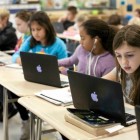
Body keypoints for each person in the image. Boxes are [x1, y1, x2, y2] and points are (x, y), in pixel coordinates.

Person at [103, 24, 140, 106]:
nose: (123, 62)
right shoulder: (121, 69)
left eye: (130, 55)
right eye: (119, 56)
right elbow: (100, 83)